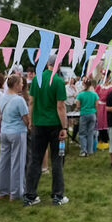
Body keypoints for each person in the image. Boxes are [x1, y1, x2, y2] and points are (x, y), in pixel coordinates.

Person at [24, 54, 68, 207]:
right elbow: (60, 106)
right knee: (57, 160)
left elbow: (31, 102)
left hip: (38, 124)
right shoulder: (58, 81)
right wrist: (64, 127)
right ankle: (58, 195)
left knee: (35, 160)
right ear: (58, 65)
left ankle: (30, 195)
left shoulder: (37, 79)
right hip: (55, 125)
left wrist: (31, 120)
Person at [0, 75, 30, 202]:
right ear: (16, 85)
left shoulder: (2, 97)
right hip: (17, 132)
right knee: (18, 162)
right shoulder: (19, 100)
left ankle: (3, 191)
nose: (22, 85)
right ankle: (16, 192)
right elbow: (26, 118)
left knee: (4, 162)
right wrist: (29, 126)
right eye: (21, 83)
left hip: (5, 131)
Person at [76, 78, 99, 157]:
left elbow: (78, 106)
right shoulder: (94, 94)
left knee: (82, 133)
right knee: (90, 133)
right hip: (92, 114)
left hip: (84, 114)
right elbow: (97, 105)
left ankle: (83, 151)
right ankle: (90, 150)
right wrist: (96, 114)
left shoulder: (80, 94)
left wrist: (82, 107)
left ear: (83, 84)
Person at [95, 75, 112, 148]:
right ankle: (100, 137)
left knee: (106, 121)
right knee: (100, 121)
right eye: (102, 77)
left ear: (108, 78)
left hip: (106, 106)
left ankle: (106, 138)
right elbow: (96, 95)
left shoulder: (110, 87)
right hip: (100, 106)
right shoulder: (99, 87)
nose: (103, 79)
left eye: (104, 77)